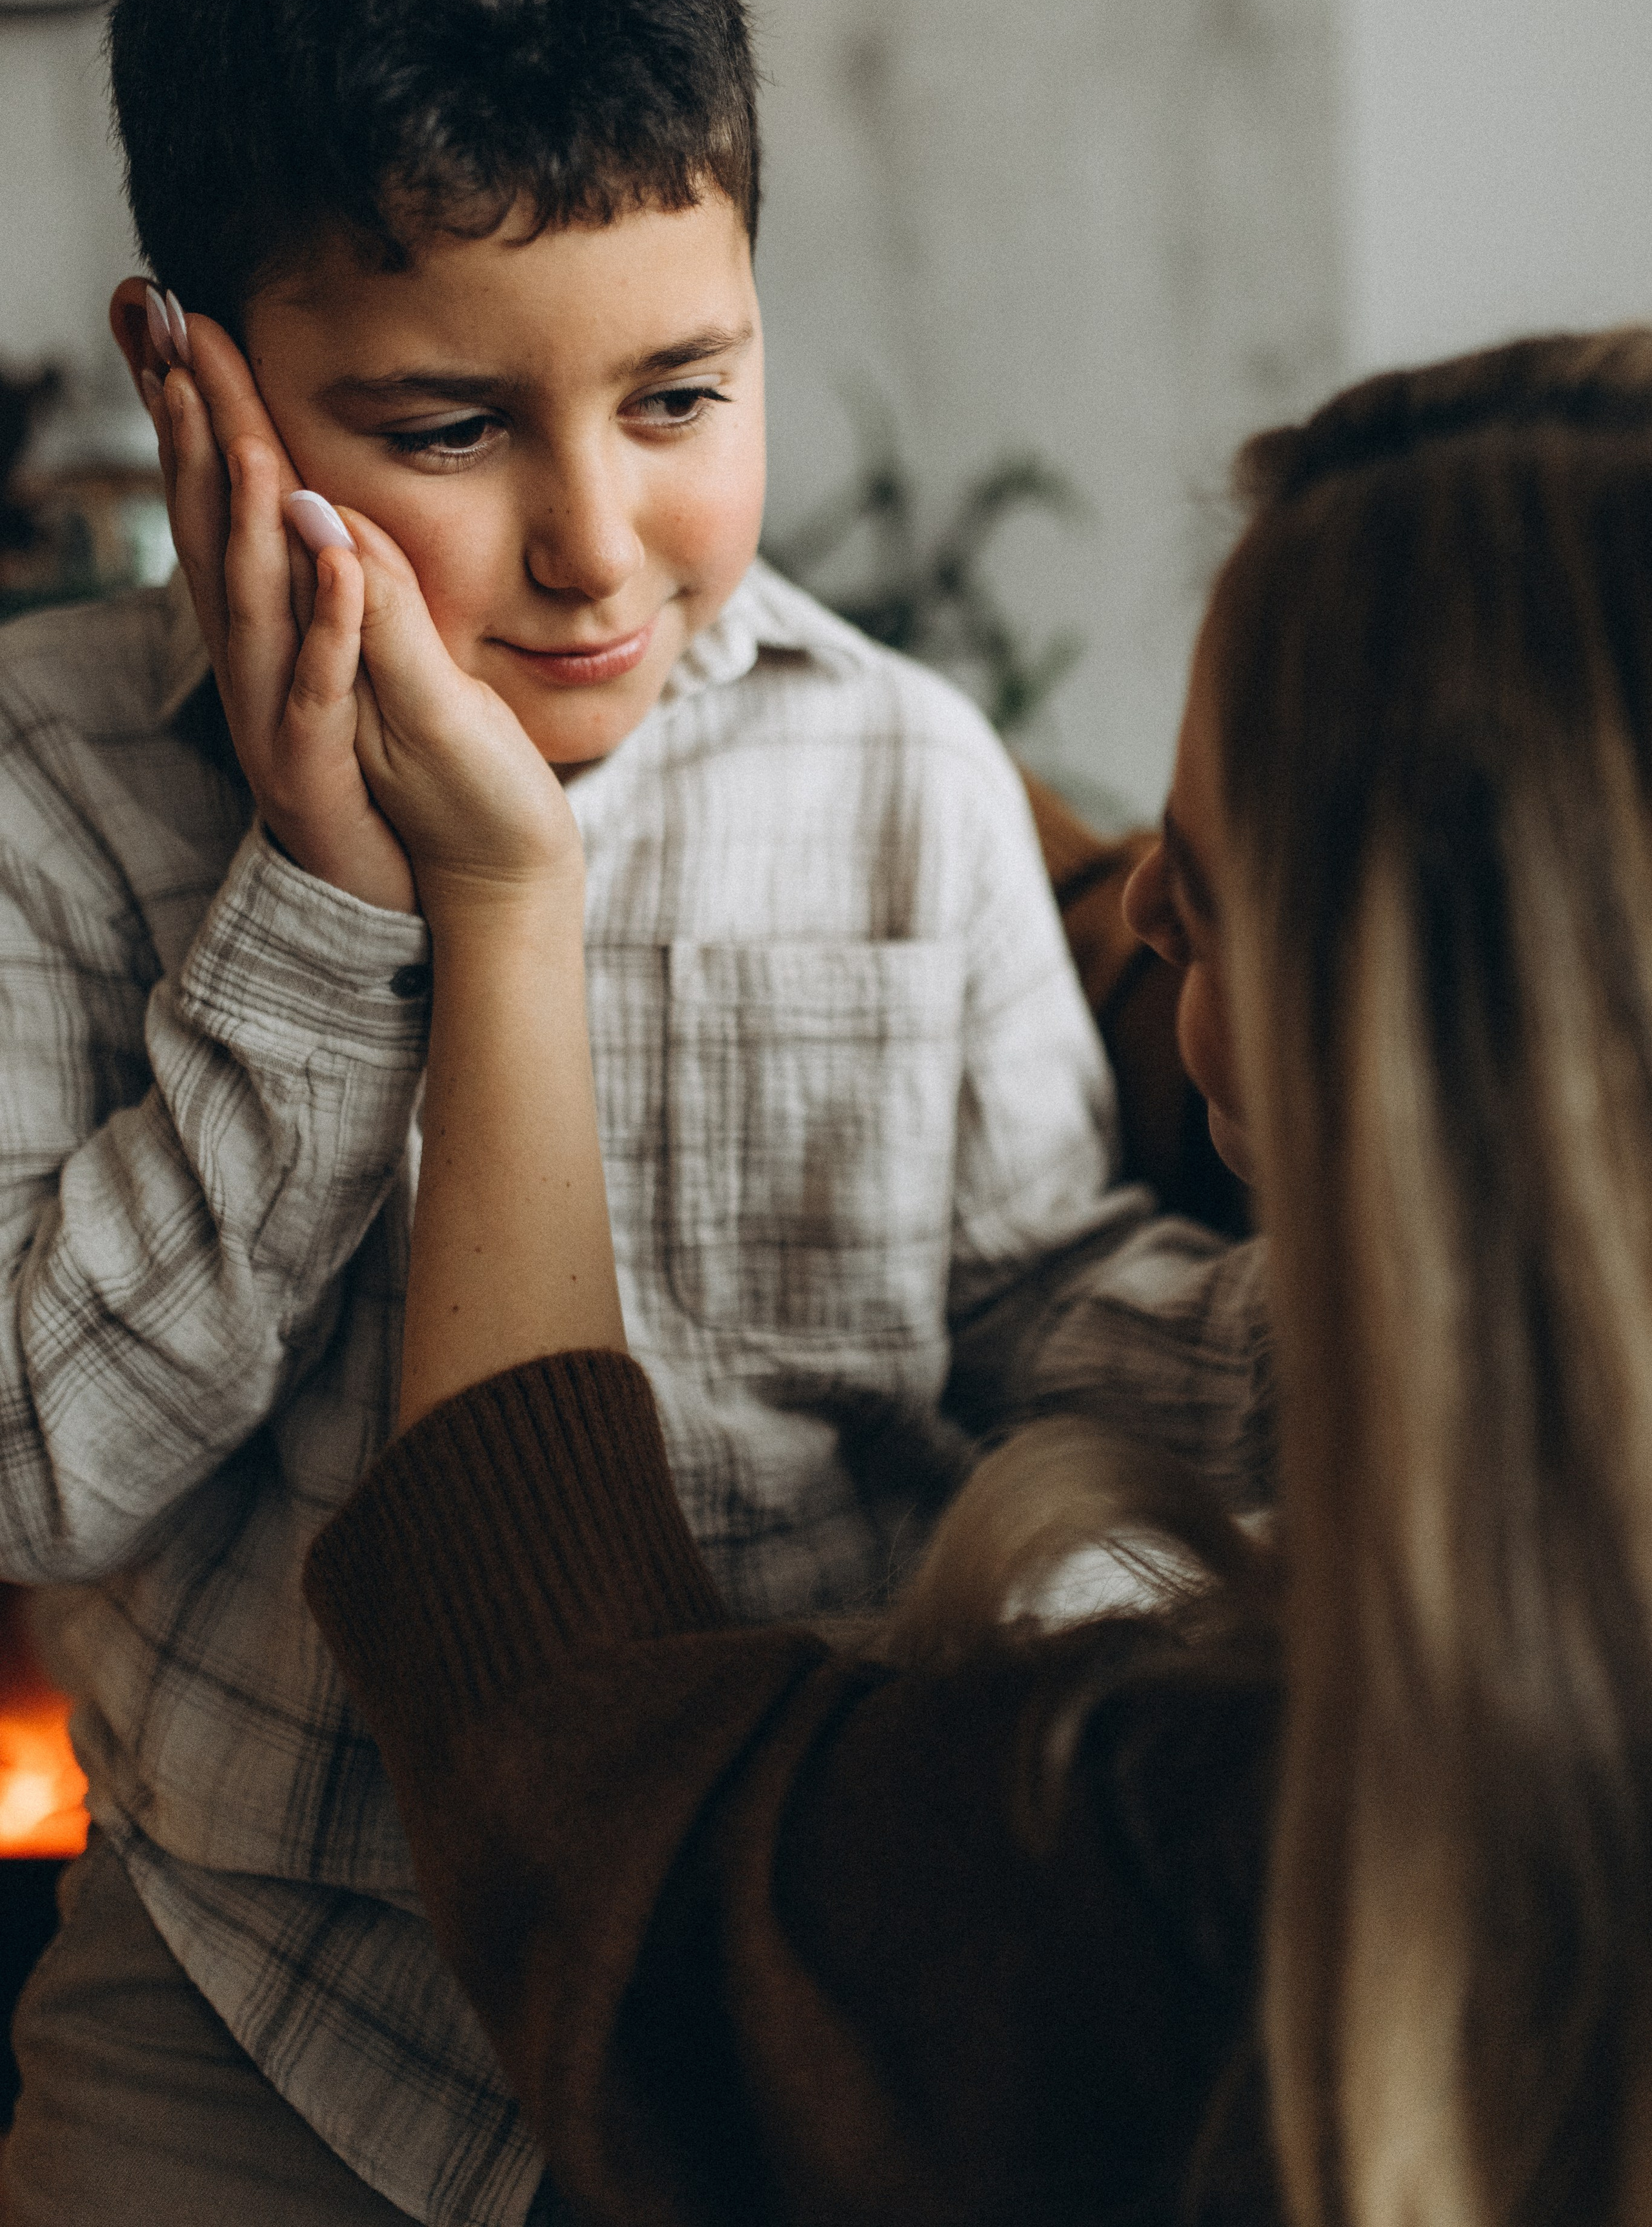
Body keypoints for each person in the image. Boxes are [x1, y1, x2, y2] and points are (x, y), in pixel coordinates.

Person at [0, 0, 1264, 2222]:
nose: (597, 545)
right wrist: (334, 919)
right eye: (448, 428)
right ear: (204, 393)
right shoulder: (49, 795)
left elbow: (1028, 1304)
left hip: (768, 1964)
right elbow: (38, 1472)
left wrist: (1377, 1359)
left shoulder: (896, 770)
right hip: (254, 2003)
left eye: (682, 397)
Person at [301, 328, 1652, 2227]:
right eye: (455, 420)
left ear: (1426, 1040)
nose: (1151, 908)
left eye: (1210, 882)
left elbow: (618, 1815)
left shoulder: (1192, 1848)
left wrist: (516, 911)